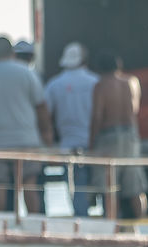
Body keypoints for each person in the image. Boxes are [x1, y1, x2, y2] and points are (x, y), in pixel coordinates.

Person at [0, 35, 53, 214]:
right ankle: (33, 223)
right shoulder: (27, 73)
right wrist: (46, 133)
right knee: (29, 183)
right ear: (13, 51)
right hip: (27, 140)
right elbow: (41, 106)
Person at [89, 51, 147, 219]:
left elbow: (98, 116)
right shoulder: (132, 82)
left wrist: (92, 142)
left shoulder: (101, 86)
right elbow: (135, 109)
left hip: (109, 136)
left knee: (110, 185)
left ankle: (112, 223)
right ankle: (141, 224)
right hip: (130, 135)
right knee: (135, 186)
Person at [44, 42, 99, 217]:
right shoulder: (95, 82)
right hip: (95, 144)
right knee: (104, 184)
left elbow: (45, 116)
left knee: (77, 187)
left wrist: (49, 141)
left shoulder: (54, 85)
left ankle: (82, 223)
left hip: (69, 145)